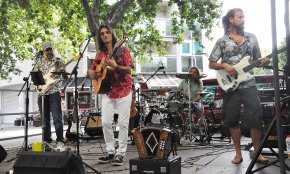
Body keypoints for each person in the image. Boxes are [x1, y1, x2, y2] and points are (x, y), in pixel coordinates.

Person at [208, 8, 270, 164]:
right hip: (230, 85)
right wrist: (224, 66)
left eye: (244, 17)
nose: (243, 19)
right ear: (231, 19)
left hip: (249, 84)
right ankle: (238, 154)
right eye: (239, 17)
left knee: (257, 119)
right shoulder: (222, 40)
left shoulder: (252, 38)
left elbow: (257, 59)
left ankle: (256, 152)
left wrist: (264, 62)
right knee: (232, 120)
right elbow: (211, 63)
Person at [88, 24, 134, 166]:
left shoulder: (122, 50)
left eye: (107, 32)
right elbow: (92, 70)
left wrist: (116, 66)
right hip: (107, 90)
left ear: (112, 34)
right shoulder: (100, 54)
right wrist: (93, 73)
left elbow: (129, 70)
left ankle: (120, 153)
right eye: (102, 33)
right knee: (106, 122)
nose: (105, 35)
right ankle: (110, 151)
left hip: (124, 89)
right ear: (100, 37)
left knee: (122, 123)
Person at [34, 42, 67, 150]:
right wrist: (39, 87)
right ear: (43, 51)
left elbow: (65, 77)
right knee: (44, 119)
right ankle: (47, 141)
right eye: (47, 50)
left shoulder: (59, 61)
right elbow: (34, 77)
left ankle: (60, 140)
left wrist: (63, 72)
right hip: (42, 93)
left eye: (51, 49)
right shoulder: (39, 62)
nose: (49, 52)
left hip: (54, 92)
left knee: (57, 118)